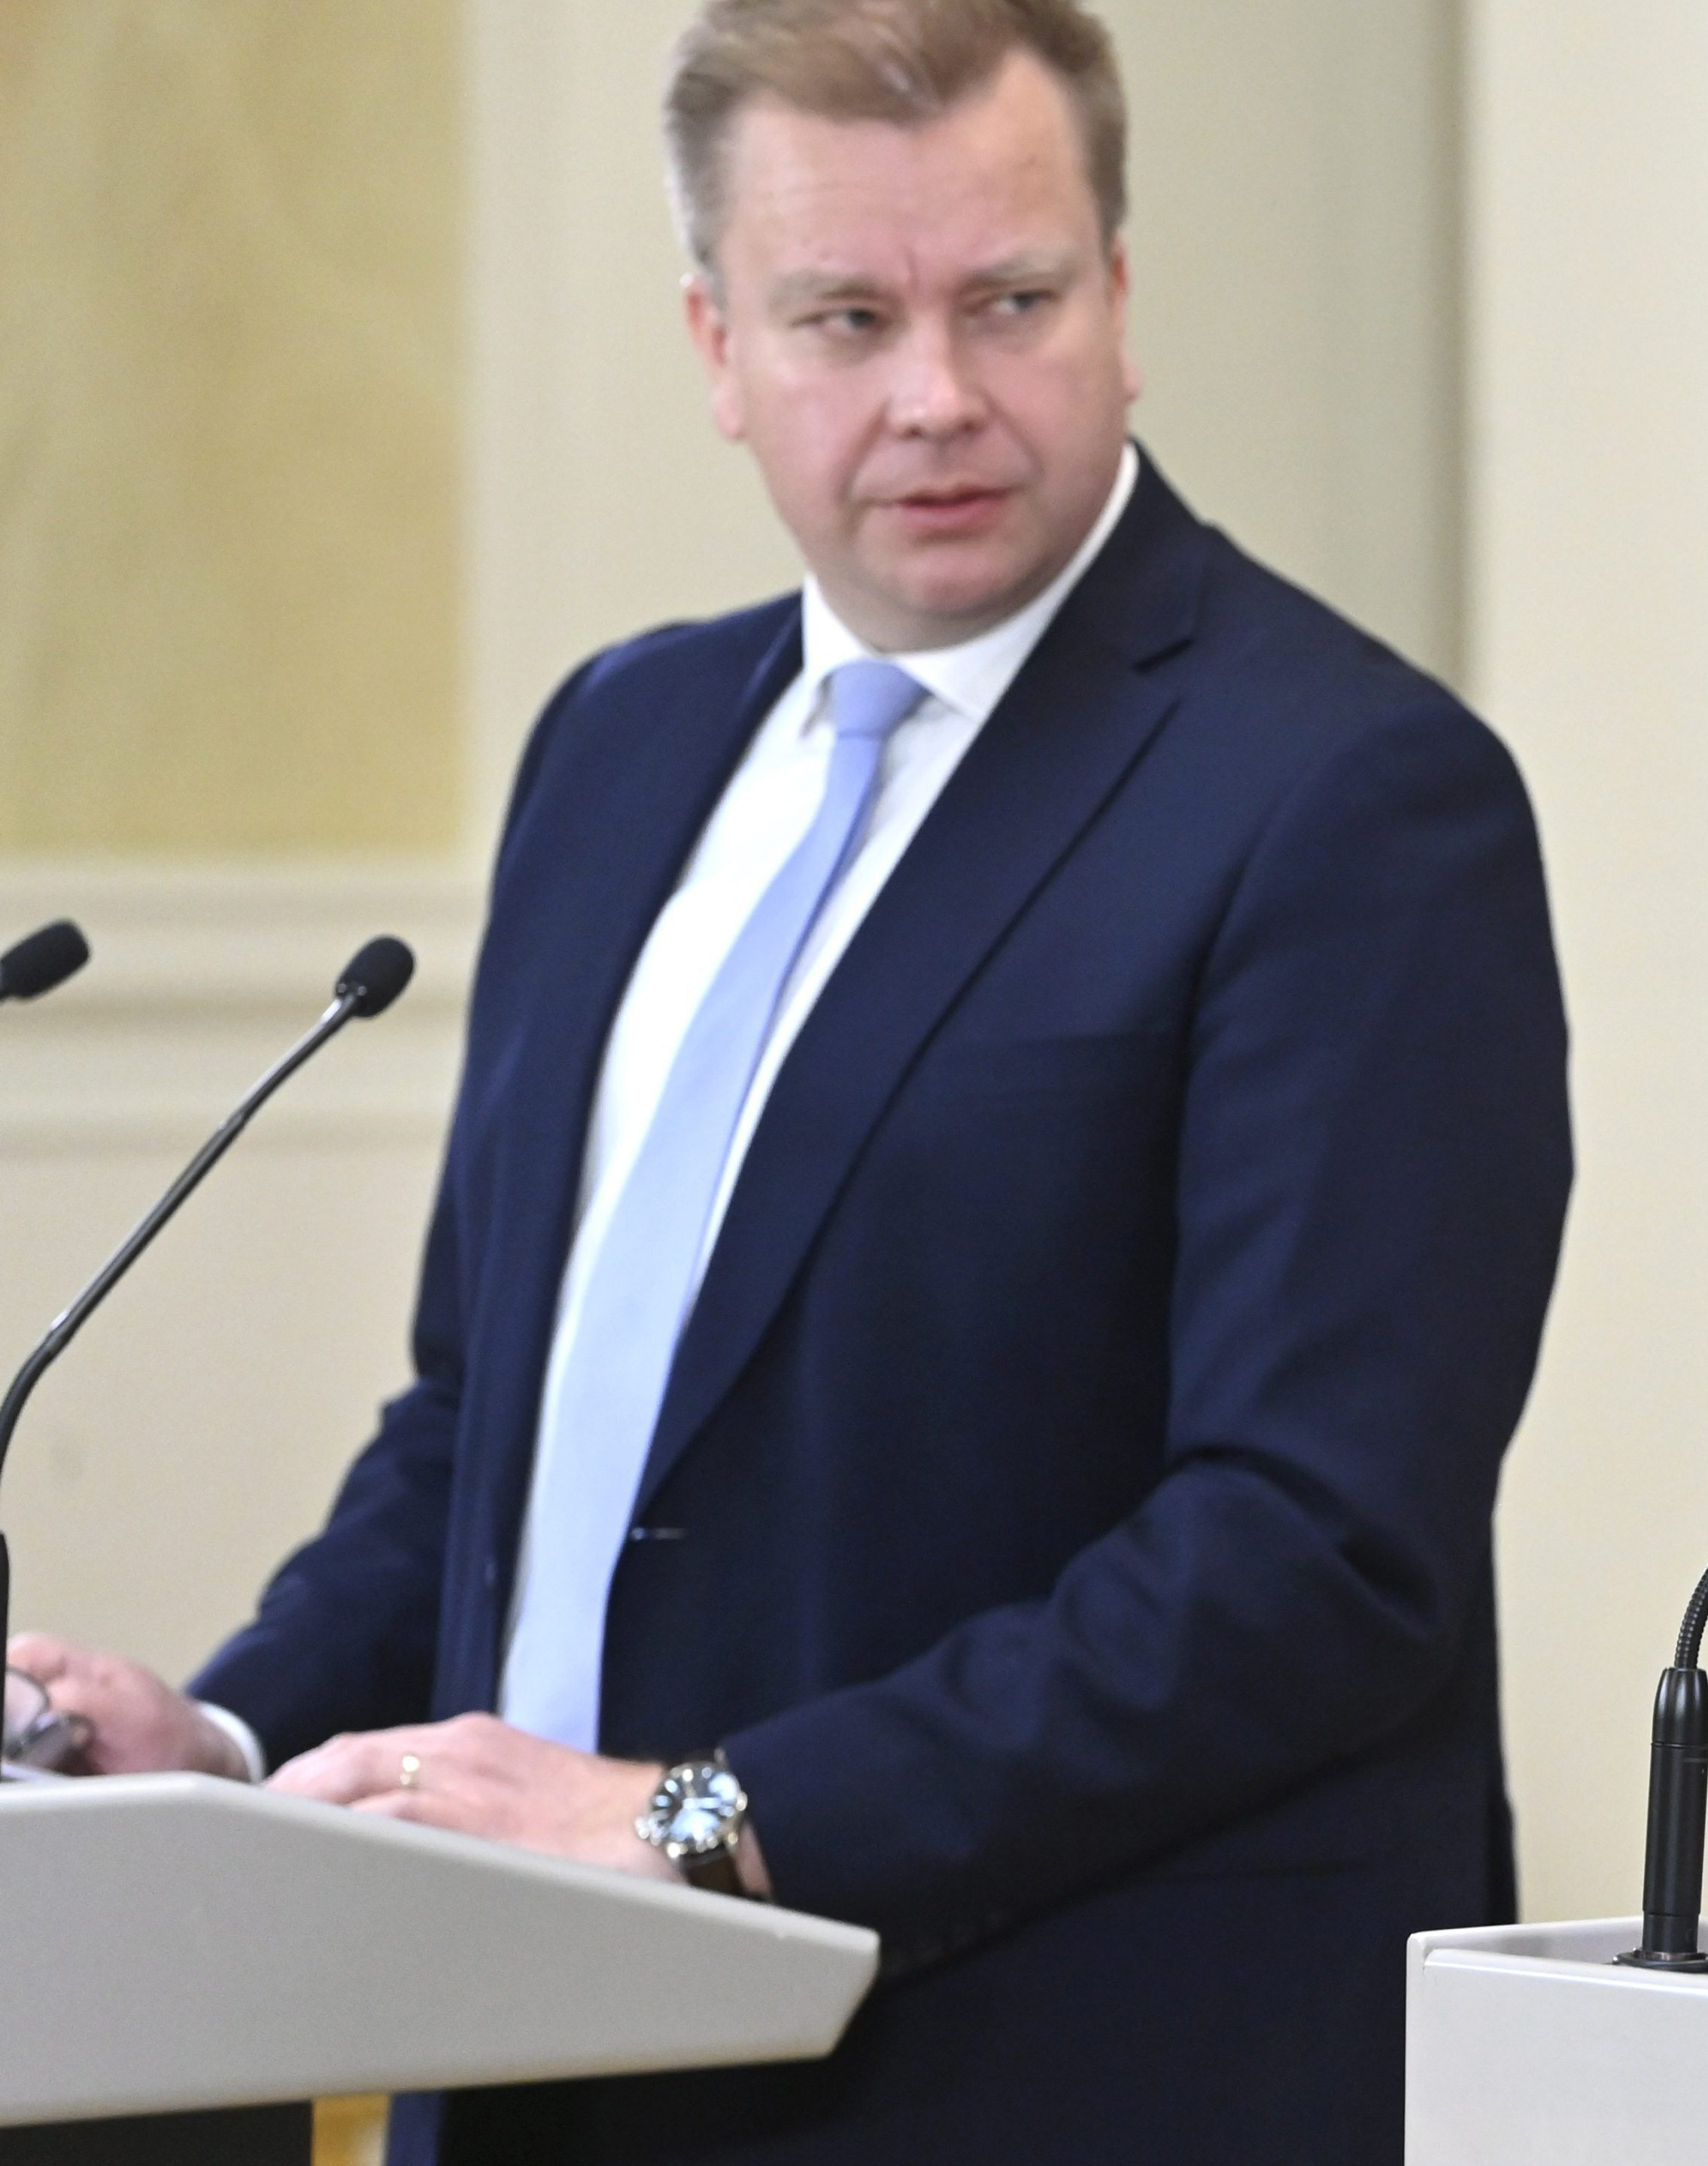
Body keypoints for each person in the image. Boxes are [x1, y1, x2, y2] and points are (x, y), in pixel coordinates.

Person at [5, 2, 1568, 2158]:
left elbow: (1312, 1555)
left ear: (1122, 299)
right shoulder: (617, 750)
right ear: (717, 347)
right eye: (844, 314)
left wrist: (715, 1817)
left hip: (1054, 2070)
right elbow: (496, 1432)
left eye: (1010, 301)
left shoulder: (1346, 795)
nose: (937, 394)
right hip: (539, 2047)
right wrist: (241, 1737)